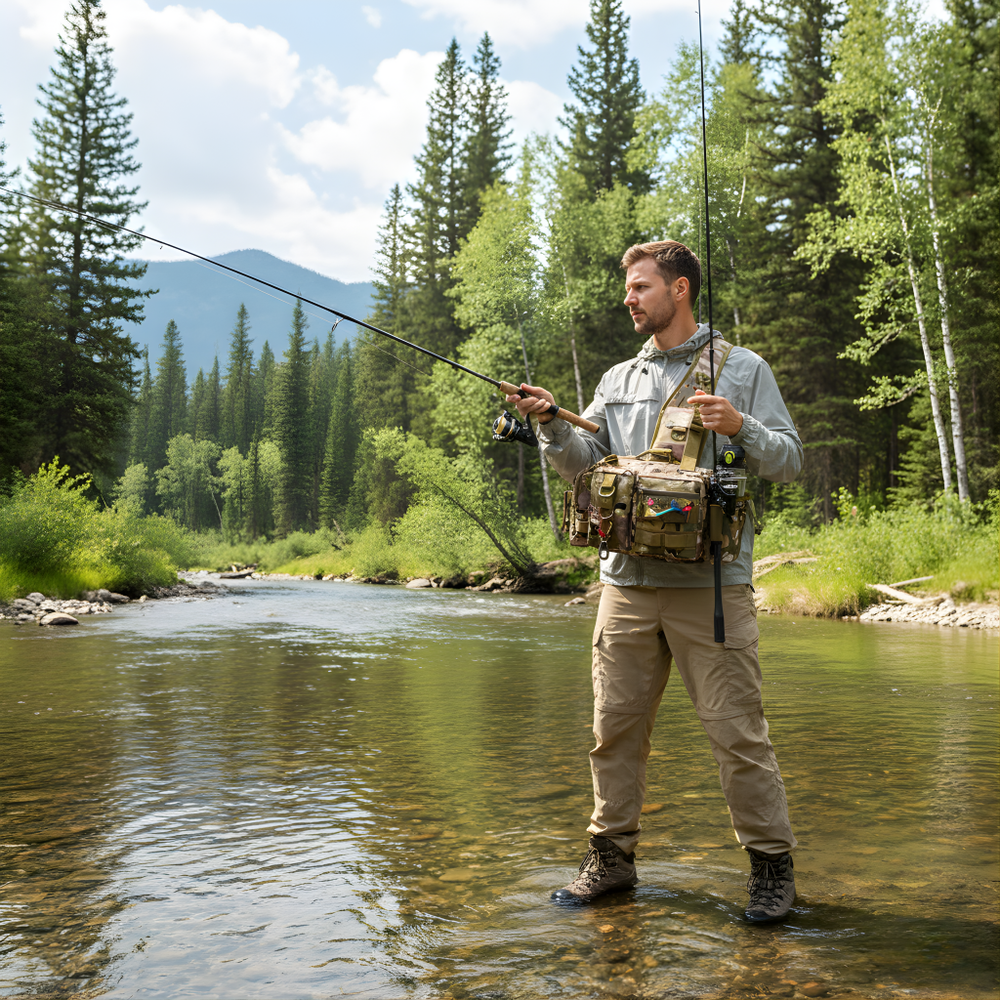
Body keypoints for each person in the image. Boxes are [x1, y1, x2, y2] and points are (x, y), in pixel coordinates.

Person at [506, 240, 802, 923]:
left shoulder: (744, 368)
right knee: (614, 730)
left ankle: (771, 868)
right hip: (625, 587)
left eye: (641, 287)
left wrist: (741, 426)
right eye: (629, 288)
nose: (629, 298)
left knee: (738, 733)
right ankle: (610, 858)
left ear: (681, 289)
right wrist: (552, 424)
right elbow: (589, 466)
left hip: (714, 588)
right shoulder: (615, 378)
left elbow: (789, 460)